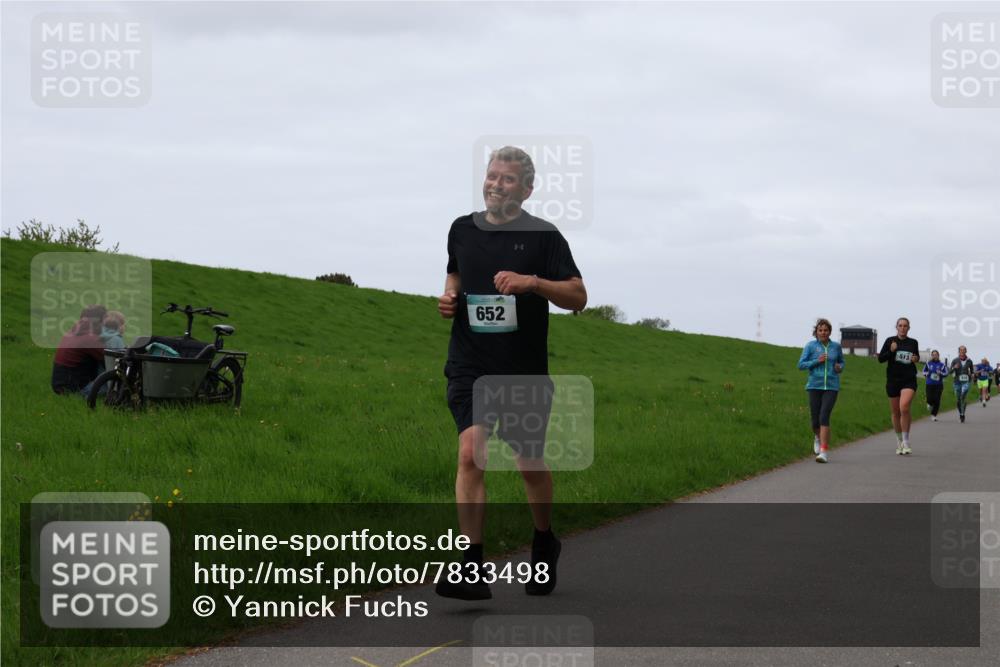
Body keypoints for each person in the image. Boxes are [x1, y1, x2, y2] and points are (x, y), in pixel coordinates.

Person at [437, 146, 587, 600]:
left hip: (521, 370)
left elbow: (579, 296)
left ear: (526, 189)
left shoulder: (544, 237)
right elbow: (455, 274)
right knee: (470, 453)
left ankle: (544, 541)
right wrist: (448, 295)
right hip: (470, 363)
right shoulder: (461, 229)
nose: (495, 184)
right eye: (491, 176)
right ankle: (471, 566)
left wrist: (533, 283)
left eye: (506, 179)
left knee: (529, 464)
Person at [796, 318, 845, 463]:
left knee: (824, 416)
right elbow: (800, 365)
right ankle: (817, 437)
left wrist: (839, 367)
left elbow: (841, 362)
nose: (823, 332)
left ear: (830, 332)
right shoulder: (810, 346)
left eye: (826, 330)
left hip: (831, 386)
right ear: (816, 332)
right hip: (814, 386)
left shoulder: (836, 347)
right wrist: (817, 361)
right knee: (815, 421)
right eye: (820, 330)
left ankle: (823, 451)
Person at [877, 317, 920, 455]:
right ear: (896, 327)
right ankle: (899, 440)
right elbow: (881, 359)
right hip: (893, 380)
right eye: (900, 325)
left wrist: (916, 359)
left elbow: (916, 357)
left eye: (905, 326)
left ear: (909, 328)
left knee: (904, 407)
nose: (902, 328)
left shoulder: (913, 342)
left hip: (909, 379)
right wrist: (891, 350)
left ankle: (906, 442)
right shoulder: (890, 341)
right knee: (896, 412)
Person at [50, 305, 108, 394]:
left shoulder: (74, 331)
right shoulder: (90, 337)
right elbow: (109, 358)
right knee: (112, 382)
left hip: (60, 385)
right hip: (73, 389)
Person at [950, 346, 974, 423]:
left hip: (966, 381)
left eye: (964, 350)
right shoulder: (955, 360)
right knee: (958, 399)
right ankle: (961, 414)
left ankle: (962, 412)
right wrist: (954, 367)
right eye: (961, 350)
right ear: (959, 351)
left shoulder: (969, 361)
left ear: (966, 351)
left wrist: (972, 374)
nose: (962, 351)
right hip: (957, 382)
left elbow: (972, 371)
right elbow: (949, 371)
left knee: (963, 395)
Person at [922, 350, 947, 422]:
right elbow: (924, 372)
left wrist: (941, 373)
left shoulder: (942, 365)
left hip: (938, 385)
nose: (934, 356)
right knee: (929, 398)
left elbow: (946, 373)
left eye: (936, 354)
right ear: (931, 356)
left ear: (938, 355)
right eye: (933, 355)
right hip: (929, 384)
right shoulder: (928, 364)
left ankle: (933, 415)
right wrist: (928, 373)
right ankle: (929, 403)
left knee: (937, 400)